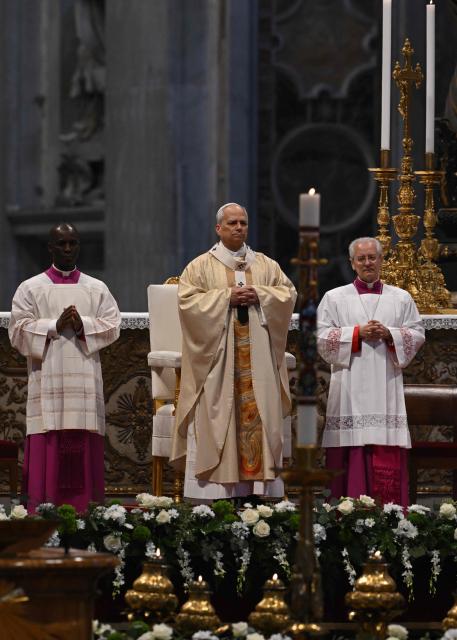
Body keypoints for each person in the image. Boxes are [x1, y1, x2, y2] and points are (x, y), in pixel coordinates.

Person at [170, 203, 297, 500]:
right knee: (219, 412)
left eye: (243, 222)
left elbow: (288, 294)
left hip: (259, 364)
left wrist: (261, 295)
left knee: (260, 410)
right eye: (232, 223)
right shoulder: (200, 266)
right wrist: (226, 297)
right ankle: (217, 493)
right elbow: (187, 303)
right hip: (219, 363)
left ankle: (260, 492)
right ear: (218, 228)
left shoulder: (266, 265)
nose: (239, 227)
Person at [9, 223, 121, 512]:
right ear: (50, 248)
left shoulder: (96, 288)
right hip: (46, 378)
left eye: (73, 243)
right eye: (62, 244)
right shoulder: (30, 288)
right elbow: (17, 331)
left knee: (82, 441)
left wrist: (83, 324)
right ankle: (43, 511)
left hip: (83, 381)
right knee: (49, 438)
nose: (68, 249)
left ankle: (86, 512)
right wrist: (52, 326)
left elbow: (113, 325)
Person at [317, 237, 425, 507]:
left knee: (384, 444)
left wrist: (390, 333)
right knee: (350, 448)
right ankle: (345, 516)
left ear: (381, 260)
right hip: (349, 388)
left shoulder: (400, 298)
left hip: (385, 385)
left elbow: (417, 333)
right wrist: (357, 333)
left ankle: (387, 516)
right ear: (352, 263)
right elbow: (319, 338)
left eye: (372, 257)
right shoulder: (334, 297)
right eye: (361, 258)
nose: (367, 263)